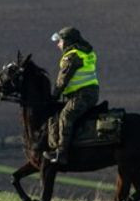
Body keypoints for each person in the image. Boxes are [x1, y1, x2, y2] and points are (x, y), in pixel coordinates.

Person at [43, 26, 100, 165]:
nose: (58, 44)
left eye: (60, 41)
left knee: (66, 116)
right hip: (87, 93)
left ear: (68, 41)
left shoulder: (72, 56)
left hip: (82, 95)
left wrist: (53, 97)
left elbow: (63, 80)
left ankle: (61, 153)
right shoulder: (85, 52)